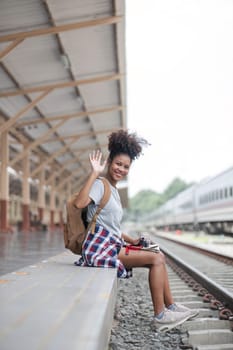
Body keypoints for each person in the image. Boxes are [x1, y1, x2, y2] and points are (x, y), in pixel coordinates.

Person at [74, 129, 198, 332]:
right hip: (100, 249)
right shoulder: (100, 184)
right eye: (118, 164)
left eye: (126, 167)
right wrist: (94, 173)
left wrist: (131, 240)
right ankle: (160, 315)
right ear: (110, 161)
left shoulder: (113, 190)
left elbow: (110, 227)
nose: (121, 169)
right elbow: (80, 203)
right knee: (156, 259)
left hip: (111, 244)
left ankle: (171, 306)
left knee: (158, 252)